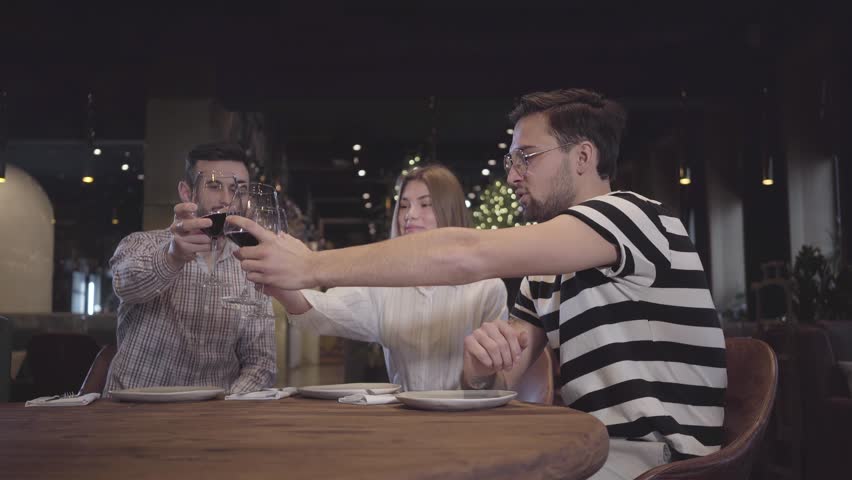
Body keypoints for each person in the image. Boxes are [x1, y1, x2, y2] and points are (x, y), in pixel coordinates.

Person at [228, 89, 726, 479]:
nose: (512, 175)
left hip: (661, 462)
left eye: (525, 157)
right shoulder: (546, 273)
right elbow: (499, 384)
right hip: (592, 450)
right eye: (511, 160)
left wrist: (313, 265)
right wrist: (479, 370)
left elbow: (469, 254)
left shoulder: (631, 215)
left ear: (582, 157)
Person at [266, 165, 508, 391]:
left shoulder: (487, 289)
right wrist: (276, 284)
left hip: (467, 423)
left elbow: (498, 381)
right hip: (404, 423)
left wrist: (480, 373)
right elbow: (319, 311)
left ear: (450, 211)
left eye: (426, 204)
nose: (409, 216)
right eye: (403, 206)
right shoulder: (384, 285)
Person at [105, 142, 275, 395]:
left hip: (214, 417)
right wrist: (173, 257)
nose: (228, 200)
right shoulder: (142, 243)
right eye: (215, 186)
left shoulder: (250, 265)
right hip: (134, 410)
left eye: (239, 189)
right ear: (187, 193)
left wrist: (228, 405)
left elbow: (261, 363)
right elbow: (125, 285)